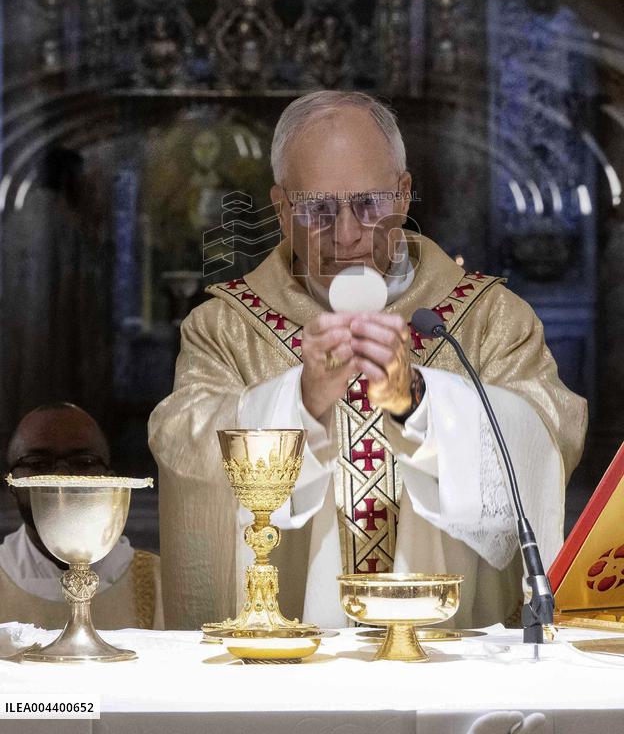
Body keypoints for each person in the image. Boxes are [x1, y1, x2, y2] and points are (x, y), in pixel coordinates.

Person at [149, 90, 587, 630]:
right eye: (319, 210)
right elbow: (182, 441)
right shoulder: (226, 328)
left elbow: (549, 430)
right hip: (289, 659)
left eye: (369, 204)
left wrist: (423, 402)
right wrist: (300, 402)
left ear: (403, 195)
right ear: (282, 209)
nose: (348, 234)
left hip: (450, 653)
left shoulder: (488, 317)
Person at [1, 404, 164, 629]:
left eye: (83, 462)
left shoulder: (159, 582)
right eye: (38, 463)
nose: (62, 477)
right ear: (11, 483)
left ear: (110, 480)